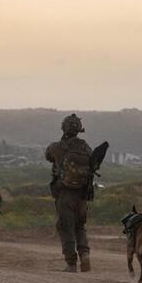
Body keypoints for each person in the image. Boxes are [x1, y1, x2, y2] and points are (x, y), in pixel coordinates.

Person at [45, 113, 94, 272]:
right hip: (82, 195)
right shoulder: (86, 148)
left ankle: (71, 263)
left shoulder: (56, 147)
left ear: (63, 127)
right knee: (80, 226)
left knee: (65, 227)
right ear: (80, 129)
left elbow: (48, 156)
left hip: (64, 194)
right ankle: (85, 255)